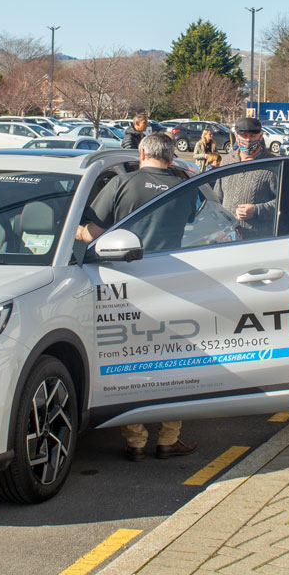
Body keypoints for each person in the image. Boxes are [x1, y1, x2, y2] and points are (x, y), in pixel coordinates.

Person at [75, 133, 198, 460]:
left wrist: (76, 232)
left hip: (125, 282)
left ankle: (136, 441)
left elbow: (95, 232)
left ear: (141, 153)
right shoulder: (185, 186)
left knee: (131, 359)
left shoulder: (122, 183)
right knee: (173, 361)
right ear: (171, 157)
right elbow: (196, 223)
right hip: (170, 280)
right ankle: (168, 439)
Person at [214, 116, 278, 238]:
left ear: (260, 136)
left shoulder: (272, 164)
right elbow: (217, 198)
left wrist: (256, 210)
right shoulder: (226, 161)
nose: (248, 140)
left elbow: (283, 203)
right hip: (228, 236)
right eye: (244, 136)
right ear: (236, 136)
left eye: (252, 136)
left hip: (258, 238)